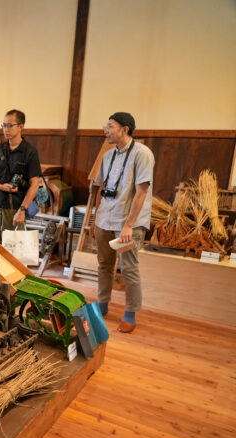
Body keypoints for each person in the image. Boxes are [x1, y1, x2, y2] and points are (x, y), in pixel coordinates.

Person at [89, 112, 154, 334]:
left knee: (128, 268)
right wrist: (94, 219)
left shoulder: (142, 154)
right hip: (105, 219)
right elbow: (99, 189)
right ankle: (102, 303)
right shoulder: (108, 156)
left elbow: (142, 191)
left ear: (125, 129)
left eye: (110, 126)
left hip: (128, 223)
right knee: (104, 264)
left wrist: (129, 225)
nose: (105, 130)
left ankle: (131, 313)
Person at [0, 109, 42, 243]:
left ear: (21, 127)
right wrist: (1, 187)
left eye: (10, 125)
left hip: (15, 208)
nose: (6, 129)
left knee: (12, 251)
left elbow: (35, 184)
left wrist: (22, 210)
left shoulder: (30, 152)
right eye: (3, 125)